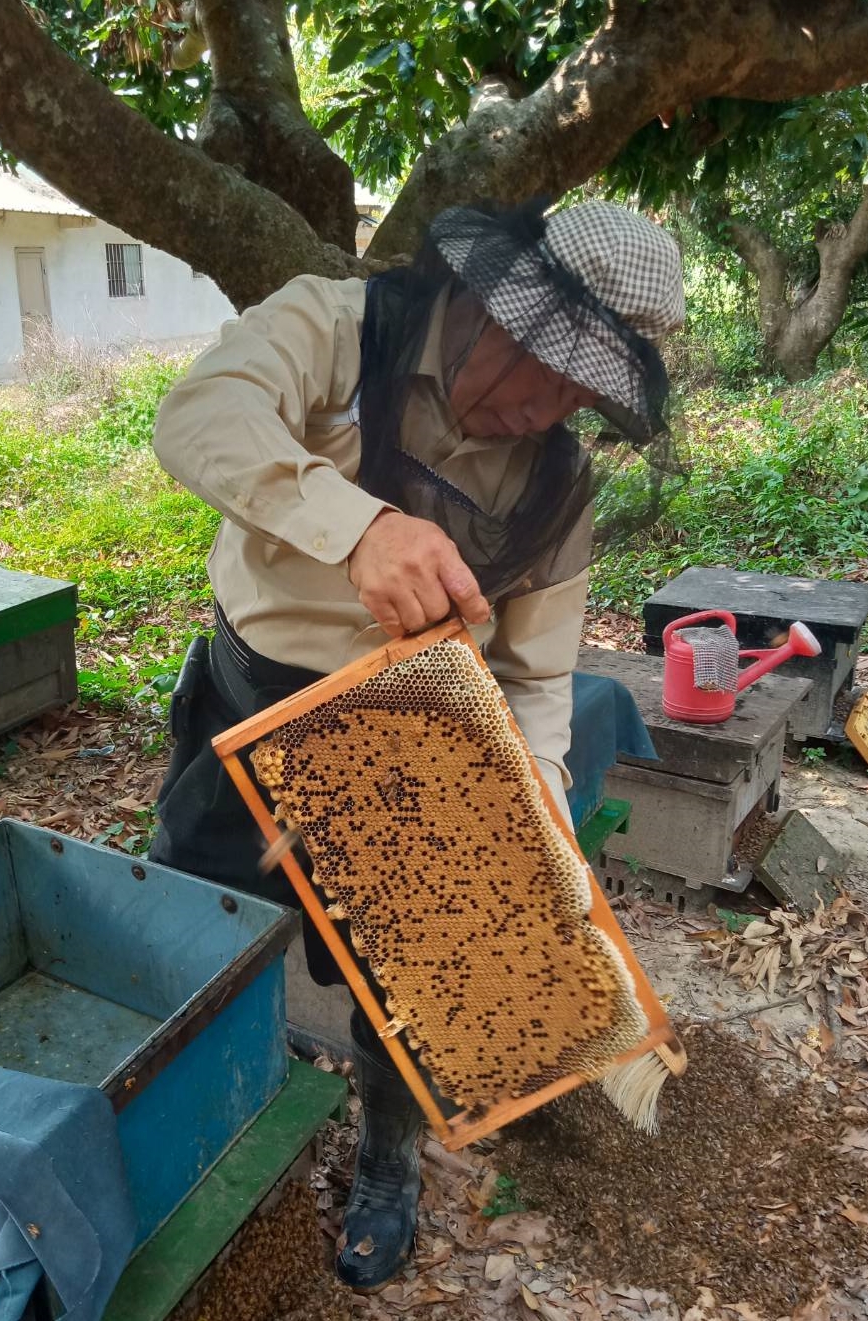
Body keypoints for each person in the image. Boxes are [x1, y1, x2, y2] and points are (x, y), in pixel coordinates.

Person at [149, 198, 684, 1291]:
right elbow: (199, 414)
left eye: (586, 389)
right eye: (549, 364)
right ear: (498, 302)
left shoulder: (555, 480)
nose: (550, 406)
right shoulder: (337, 327)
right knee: (189, 932)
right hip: (250, 698)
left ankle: (388, 1162)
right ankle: (195, 1145)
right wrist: (356, 526)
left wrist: (529, 821)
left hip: (416, 735)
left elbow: (535, 676)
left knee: (417, 974)